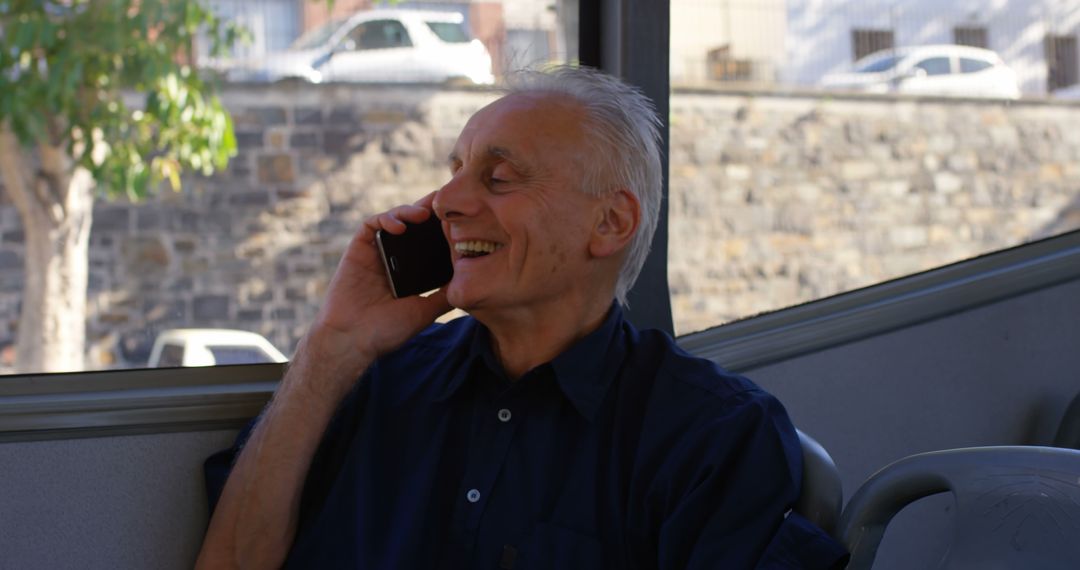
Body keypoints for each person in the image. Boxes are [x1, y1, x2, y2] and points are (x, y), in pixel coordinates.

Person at [196, 66, 847, 569]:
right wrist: (332, 345)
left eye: (498, 177)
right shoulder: (376, 381)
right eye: (452, 172)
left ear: (610, 222)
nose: (446, 202)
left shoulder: (709, 435)